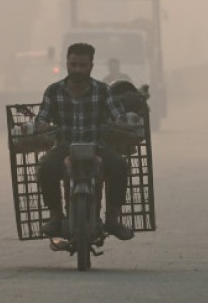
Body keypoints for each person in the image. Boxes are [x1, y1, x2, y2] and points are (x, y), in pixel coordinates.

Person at [30, 42, 135, 241]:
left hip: (98, 145)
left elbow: (117, 113)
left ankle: (112, 220)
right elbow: (42, 117)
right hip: (64, 146)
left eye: (82, 65)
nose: (77, 69)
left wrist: (121, 122)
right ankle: (56, 216)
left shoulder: (103, 90)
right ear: (67, 64)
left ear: (91, 66)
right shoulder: (53, 91)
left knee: (120, 166)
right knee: (45, 168)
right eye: (73, 64)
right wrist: (41, 124)